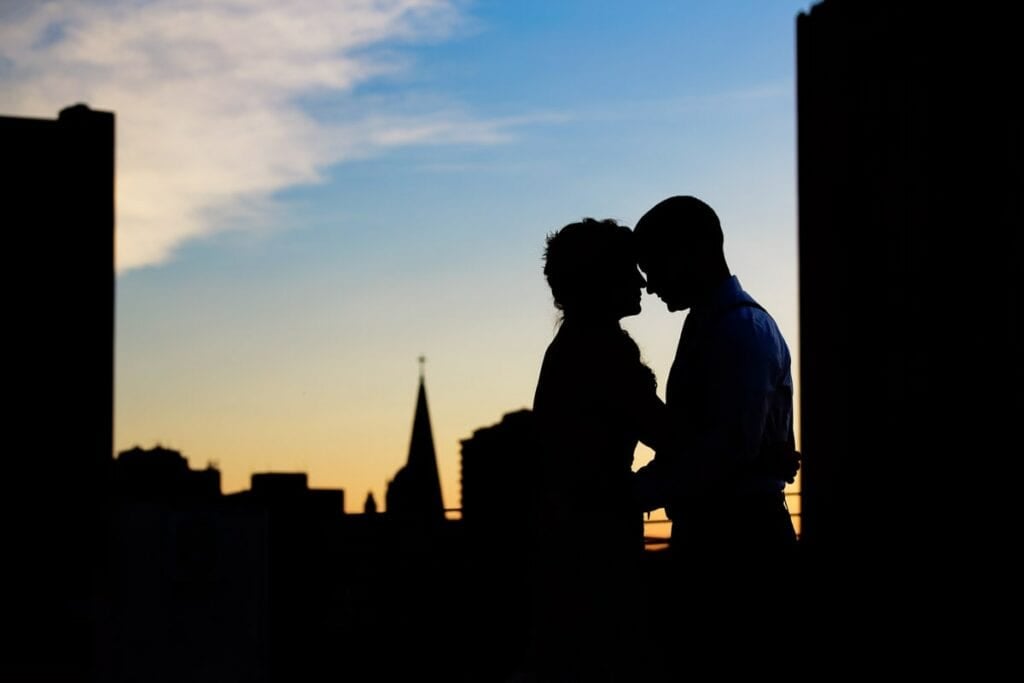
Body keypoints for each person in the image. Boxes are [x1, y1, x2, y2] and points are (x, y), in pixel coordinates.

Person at [631, 196, 799, 642]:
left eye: (654, 267)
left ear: (690, 253)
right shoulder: (725, 324)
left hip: (737, 547)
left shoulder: (736, 329)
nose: (649, 286)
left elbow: (724, 451)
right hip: (733, 537)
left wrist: (635, 495)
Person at [525, 218, 664, 682]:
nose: (643, 280)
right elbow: (671, 434)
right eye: (629, 270)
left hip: (568, 543)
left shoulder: (570, 348)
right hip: (597, 550)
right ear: (601, 281)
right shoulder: (601, 352)